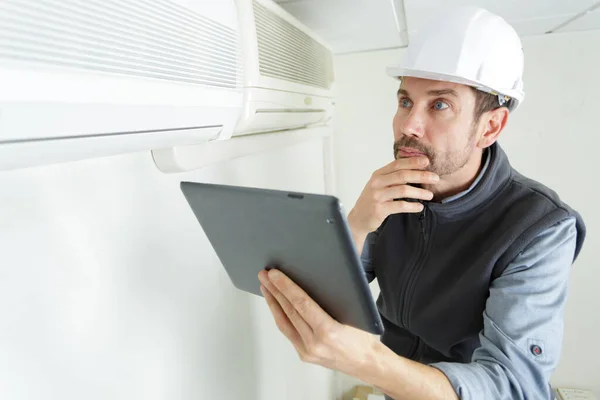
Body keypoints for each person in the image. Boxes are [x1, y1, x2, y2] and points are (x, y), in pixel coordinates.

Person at [257, 6, 586, 400]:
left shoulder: (541, 226)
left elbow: (513, 386)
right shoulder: (393, 188)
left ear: (490, 126)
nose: (408, 126)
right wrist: (358, 223)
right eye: (405, 101)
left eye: (440, 104)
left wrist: (367, 361)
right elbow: (336, 297)